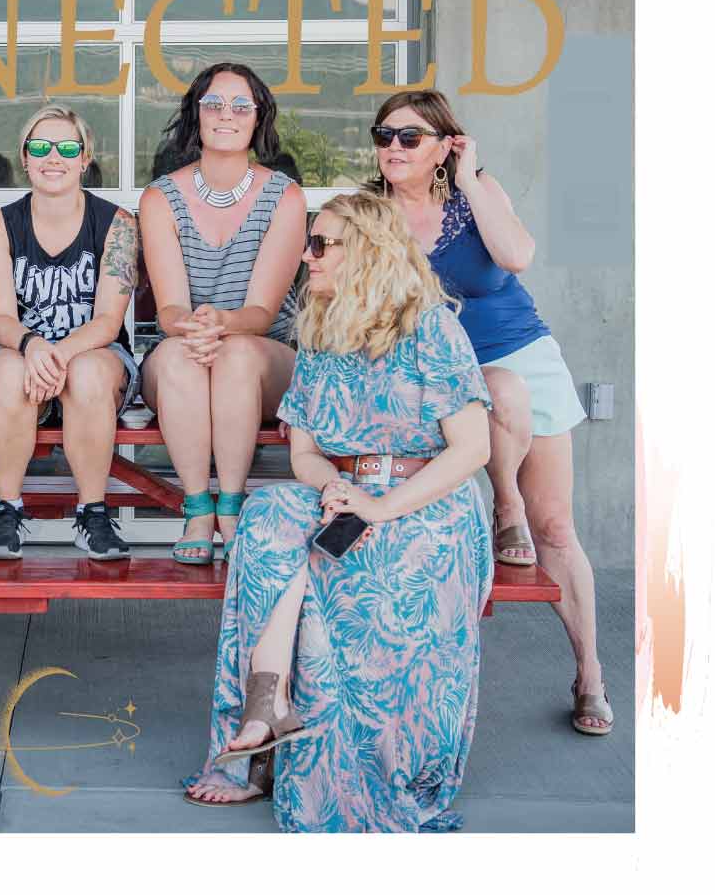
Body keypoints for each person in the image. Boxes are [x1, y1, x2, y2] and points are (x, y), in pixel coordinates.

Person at [180, 191, 493, 831]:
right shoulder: (321, 328)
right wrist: (336, 491)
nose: (307, 255)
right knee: (268, 520)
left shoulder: (431, 326)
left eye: (321, 244)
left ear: (368, 252)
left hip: (427, 510)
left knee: (331, 593)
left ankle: (296, 752)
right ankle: (266, 705)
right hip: (346, 498)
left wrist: (379, 506)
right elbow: (304, 453)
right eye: (308, 243)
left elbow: (472, 451)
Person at [368, 89, 611, 736]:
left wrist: (471, 178)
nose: (393, 147)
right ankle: (503, 506)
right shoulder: (372, 215)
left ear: (446, 145)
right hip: (428, 376)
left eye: (410, 137)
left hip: (519, 356)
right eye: (384, 134)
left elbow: (516, 256)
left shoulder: (478, 193)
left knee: (555, 526)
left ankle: (590, 673)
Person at [138, 62, 308, 563]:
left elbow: (261, 308)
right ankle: (197, 509)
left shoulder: (284, 197)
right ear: (196, 114)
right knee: (176, 358)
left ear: (259, 119)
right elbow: (169, 307)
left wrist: (222, 325)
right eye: (213, 104)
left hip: (263, 353)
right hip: (186, 343)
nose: (226, 115)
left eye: (241, 106)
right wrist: (192, 327)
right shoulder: (160, 197)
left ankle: (232, 506)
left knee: (233, 355)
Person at [0, 104, 139, 561]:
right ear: (24, 158)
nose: (53, 157)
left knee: (85, 373)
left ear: (85, 158)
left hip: (95, 358)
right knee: (7, 372)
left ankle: (92, 513)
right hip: (20, 353)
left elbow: (107, 321)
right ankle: (6, 510)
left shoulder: (119, 225)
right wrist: (33, 346)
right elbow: (1, 320)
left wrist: (57, 354)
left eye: (67, 147)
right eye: (40, 147)